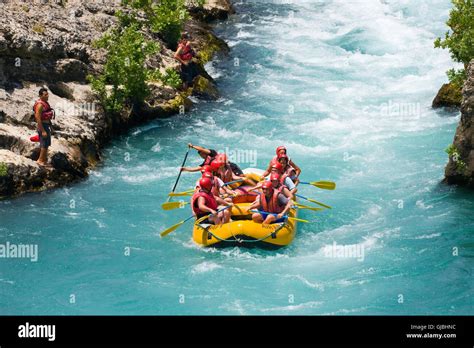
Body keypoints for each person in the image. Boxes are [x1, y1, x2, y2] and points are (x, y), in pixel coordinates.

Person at [33, 88, 54, 167]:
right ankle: (40, 161)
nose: (47, 96)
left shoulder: (45, 103)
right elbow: (37, 118)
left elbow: (47, 117)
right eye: (45, 95)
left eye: (47, 94)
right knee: (44, 144)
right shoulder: (40, 105)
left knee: (47, 144)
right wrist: (43, 130)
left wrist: (51, 127)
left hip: (47, 125)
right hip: (42, 126)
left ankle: (44, 160)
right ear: (40, 96)